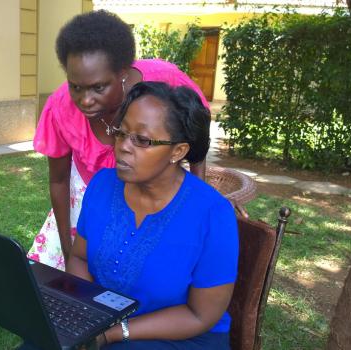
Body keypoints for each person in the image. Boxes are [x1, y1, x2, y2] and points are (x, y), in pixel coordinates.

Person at [28, 10, 209, 270]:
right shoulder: (60, 108)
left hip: (153, 195)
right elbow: (58, 181)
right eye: (75, 86)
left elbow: (197, 137)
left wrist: (194, 199)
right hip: (86, 197)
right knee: (52, 283)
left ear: (123, 72)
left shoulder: (164, 81)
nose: (85, 100)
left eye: (99, 87)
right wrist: (68, 253)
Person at [67, 81, 238, 349]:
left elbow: (200, 314)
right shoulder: (102, 185)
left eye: (142, 140)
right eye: (121, 133)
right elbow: (78, 257)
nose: (123, 146)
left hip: (182, 335)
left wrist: (111, 333)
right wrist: (86, 315)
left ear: (178, 151)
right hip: (104, 320)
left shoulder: (213, 215)